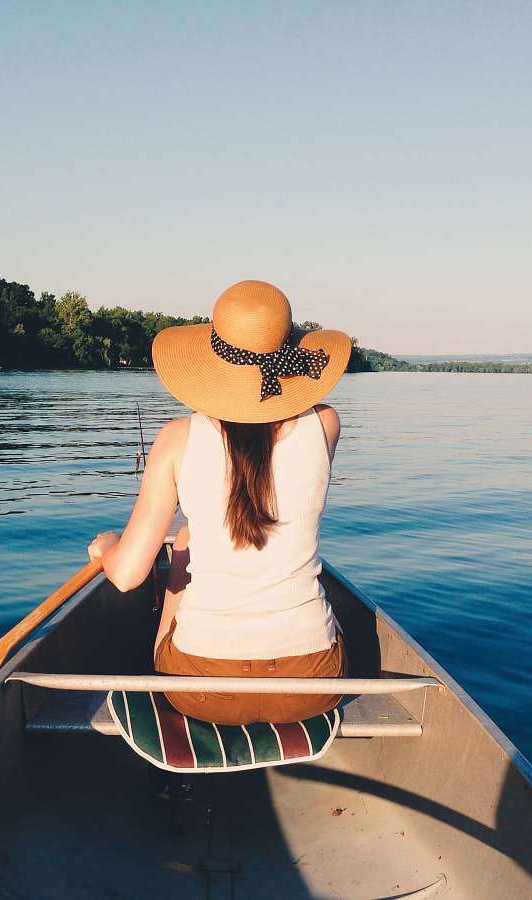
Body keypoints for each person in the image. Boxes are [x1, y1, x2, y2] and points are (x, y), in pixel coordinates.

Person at [86, 279, 352, 725]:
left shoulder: (176, 439)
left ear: (212, 359)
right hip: (313, 684)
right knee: (194, 536)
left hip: (200, 688)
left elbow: (129, 575)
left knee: (184, 543)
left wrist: (107, 548)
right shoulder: (325, 423)